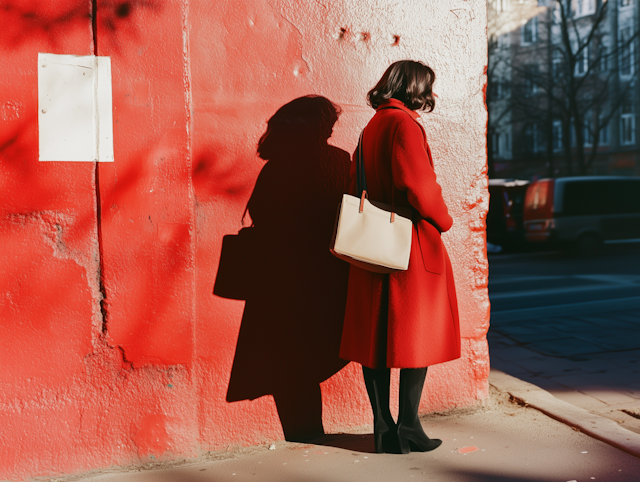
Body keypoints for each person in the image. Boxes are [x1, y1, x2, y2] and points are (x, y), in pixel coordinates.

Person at [339, 60, 461, 454]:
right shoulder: (404, 125)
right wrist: (443, 220)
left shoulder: (371, 127)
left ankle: (383, 427)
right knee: (415, 336)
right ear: (412, 87)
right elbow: (420, 188)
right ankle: (409, 425)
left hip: (374, 242)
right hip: (408, 243)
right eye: (428, 86)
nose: (432, 94)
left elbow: (358, 178)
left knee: (375, 339)